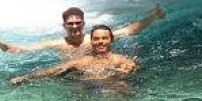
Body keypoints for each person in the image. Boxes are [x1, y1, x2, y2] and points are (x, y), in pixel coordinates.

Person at [0, 4, 165, 57]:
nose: (74, 26)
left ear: (83, 24)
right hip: (73, 75)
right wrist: (0, 44)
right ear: (64, 26)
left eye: (78, 23)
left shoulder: (95, 39)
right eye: (70, 24)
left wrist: (153, 16)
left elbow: (130, 30)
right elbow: (23, 50)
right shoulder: (57, 44)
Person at [10, 25, 139, 90]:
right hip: (87, 89)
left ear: (111, 40)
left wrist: (131, 69)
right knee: (78, 88)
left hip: (112, 88)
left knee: (122, 87)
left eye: (105, 38)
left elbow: (131, 66)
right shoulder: (83, 62)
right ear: (91, 42)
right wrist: (26, 77)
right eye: (96, 39)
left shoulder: (119, 59)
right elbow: (54, 70)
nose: (101, 42)